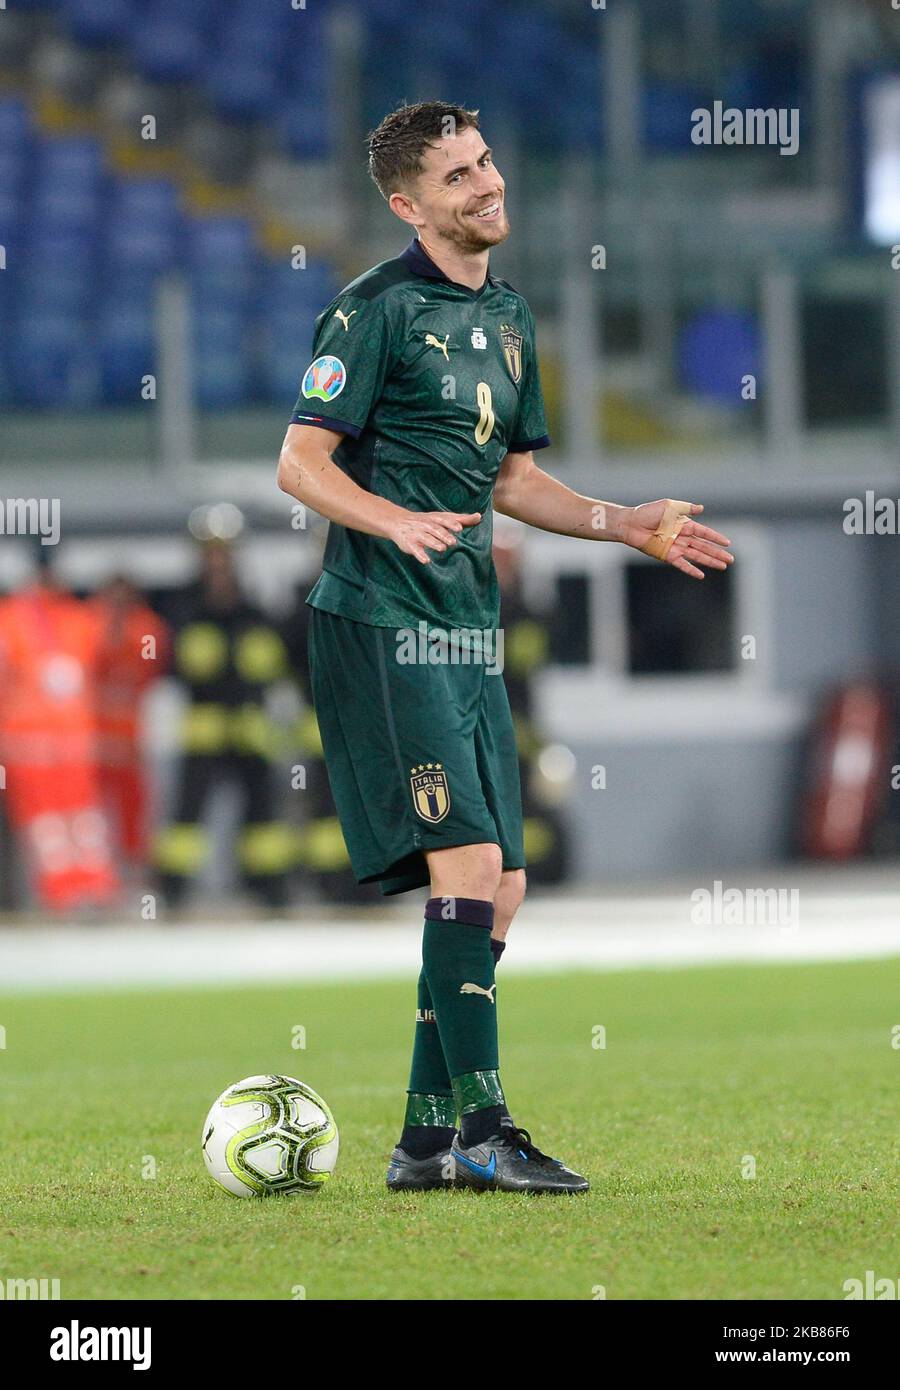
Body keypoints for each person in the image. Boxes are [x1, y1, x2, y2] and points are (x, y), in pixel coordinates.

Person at [276, 101, 734, 1193]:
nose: (487, 185)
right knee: (470, 868)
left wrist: (623, 522)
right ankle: (485, 1127)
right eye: (457, 177)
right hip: (385, 624)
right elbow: (299, 462)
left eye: (486, 161)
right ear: (408, 205)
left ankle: (425, 1140)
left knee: (507, 885)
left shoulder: (513, 318)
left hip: (466, 627)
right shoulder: (371, 311)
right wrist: (392, 520)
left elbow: (515, 480)